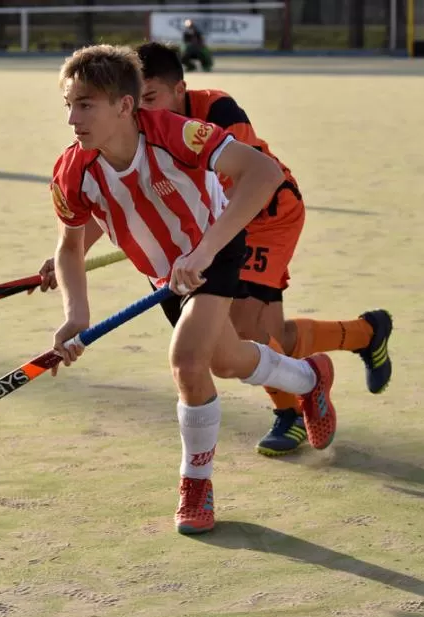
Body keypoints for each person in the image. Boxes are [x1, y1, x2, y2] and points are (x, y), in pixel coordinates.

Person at [36, 42, 393, 457]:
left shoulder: (207, 116)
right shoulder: (98, 151)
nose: (146, 110)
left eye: (151, 100)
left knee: (242, 335)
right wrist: (76, 255)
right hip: (200, 235)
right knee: (230, 354)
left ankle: (291, 412)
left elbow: (236, 184)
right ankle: (357, 341)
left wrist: (197, 248)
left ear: (176, 91)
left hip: (263, 215)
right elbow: (132, 201)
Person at [48, 44, 336, 535]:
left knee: (186, 362)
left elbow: (263, 174)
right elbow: (69, 250)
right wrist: (77, 315)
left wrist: (202, 253)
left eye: (86, 105)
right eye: (70, 105)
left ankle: (195, 485)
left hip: (215, 249)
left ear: (124, 105)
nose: (74, 119)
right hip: (167, 276)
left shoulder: (176, 134)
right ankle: (310, 379)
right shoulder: (73, 173)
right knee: (224, 361)